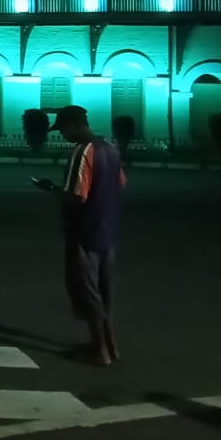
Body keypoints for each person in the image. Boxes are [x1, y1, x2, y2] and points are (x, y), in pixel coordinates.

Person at [33, 105, 126, 366]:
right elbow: (120, 183)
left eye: (62, 129)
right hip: (107, 230)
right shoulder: (110, 148)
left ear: (73, 124)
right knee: (105, 291)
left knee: (88, 292)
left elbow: (76, 195)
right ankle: (111, 345)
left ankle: (100, 351)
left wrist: (51, 188)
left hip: (84, 231)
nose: (62, 135)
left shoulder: (82, 151)